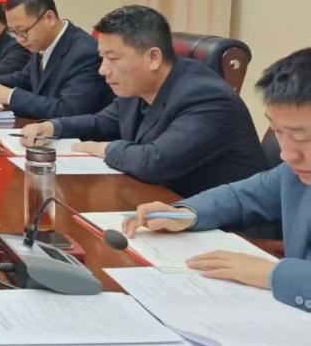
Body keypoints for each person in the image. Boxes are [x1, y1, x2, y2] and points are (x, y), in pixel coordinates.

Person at [122, 48, 311, 311]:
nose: (287, 154)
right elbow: (241, 196)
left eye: (303, 138)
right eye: (278, 131)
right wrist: (185, 214)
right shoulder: (292, 174)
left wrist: (273, 274)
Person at [21, 5, 267, 197]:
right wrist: (51, 127)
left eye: (112, 58)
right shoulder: (138, 87)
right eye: (101, 57)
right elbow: (101, 122)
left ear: (153, 58)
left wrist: (103, 148)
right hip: (165, 207)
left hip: (227, 231)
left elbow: (155, 162)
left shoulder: (206, 97)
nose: (103, 70)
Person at [0, 0, 113, 118]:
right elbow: (26, 77)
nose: (19, 39)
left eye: (23, 31)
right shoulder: (42, 42)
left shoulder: (85, 52)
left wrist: (10, 96)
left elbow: (69, 110)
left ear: (49, 18)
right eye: (13, 32)